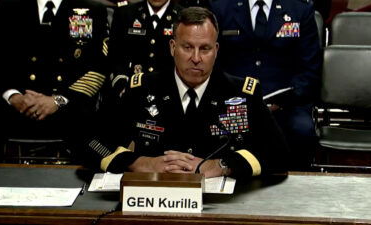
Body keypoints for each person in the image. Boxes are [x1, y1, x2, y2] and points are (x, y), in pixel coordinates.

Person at [86, 7, 288, 180]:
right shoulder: (143, 88)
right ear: (173, 47)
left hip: (219, 205)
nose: (196, 58)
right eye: (187, 47)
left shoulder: (242, 93)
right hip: (153, 197)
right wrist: (139, 163)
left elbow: (279, 153)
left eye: (205, 48)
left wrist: (221, 165)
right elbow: (91, 142)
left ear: (216, 50)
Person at [210, 0, 322, 170]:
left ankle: (297, 188)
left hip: (287, 104)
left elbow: (310, 69)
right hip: (234, 101)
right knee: (212, 129)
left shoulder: (300, 9)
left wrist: (283, 100)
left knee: (302, 130)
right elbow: (213, 63)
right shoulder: (221, 7)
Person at [0, 0, 109, 161]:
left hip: (71, 118)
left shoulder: (90, 9)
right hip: (15, 115)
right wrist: (13, 96)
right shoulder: (8, 8)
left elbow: (99, 67)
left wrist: (58, 100)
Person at [106, 0, 183, 97]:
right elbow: (114, 57)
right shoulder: (125, 14)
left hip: (169, 95)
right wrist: (121, 86)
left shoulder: (183, 17)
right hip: (129, 92)